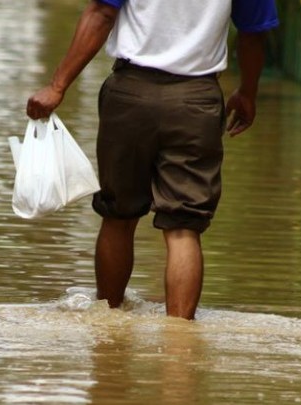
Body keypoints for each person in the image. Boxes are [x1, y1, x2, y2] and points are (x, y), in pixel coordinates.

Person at [26, 0, 279, 320]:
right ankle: (181, 341)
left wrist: (57, 86)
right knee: (184, 227)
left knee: (118, 215)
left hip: (130, 95)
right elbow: (253, 33)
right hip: (196, 102)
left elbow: (102, 13)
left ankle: (108, 326)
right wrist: (248, 93)